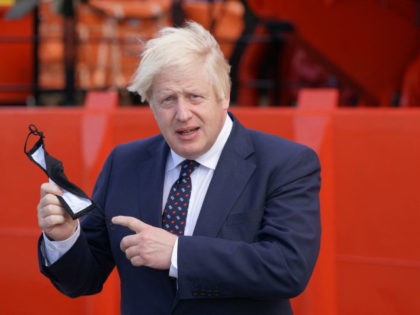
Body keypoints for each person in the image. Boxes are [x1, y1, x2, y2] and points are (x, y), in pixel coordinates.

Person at [37, 21, 321, 315]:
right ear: (150, 105)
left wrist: (177, 253)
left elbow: (288, 268)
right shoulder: (123, 163)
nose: (182, 114)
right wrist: (64, 236)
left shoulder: (285, 163)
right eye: (168, 99)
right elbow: (82, 280)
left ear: (223, 96)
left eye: (194, 97)